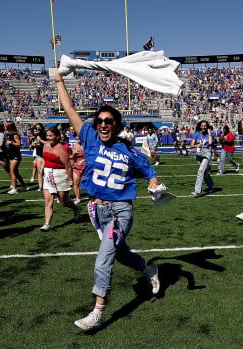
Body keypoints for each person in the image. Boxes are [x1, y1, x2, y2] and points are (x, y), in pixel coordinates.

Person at [55, 71, 161, 331]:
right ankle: (148, 269)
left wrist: (153, 182)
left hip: (120, 212)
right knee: (120, 253)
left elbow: (149, 170)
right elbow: (69, 109)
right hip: (96, 209)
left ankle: (98, 311)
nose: (103, 124)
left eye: (109, 121)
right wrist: (58, 80)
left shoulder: (128, 151)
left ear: (117, 126)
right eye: (100, 120)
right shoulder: (90, 138)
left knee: (104, 259)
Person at [40, 126, 80, 232]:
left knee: (63, 201)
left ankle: (76, 208)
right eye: (47, 135)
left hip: (61, 175)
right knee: (48, 201)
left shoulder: (61, 149)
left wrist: (70, 180)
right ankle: (47, 224)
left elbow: (67, 166)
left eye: (51, 136)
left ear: (57, 137)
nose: (48, 138)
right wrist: (43, 168)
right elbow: (45, 159)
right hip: (48, 174)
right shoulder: (45, 146)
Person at [190, 120, 214, 197]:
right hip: (199, 154)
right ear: (200, 126)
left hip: (207, 153)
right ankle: (210, 186)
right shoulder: (196, 134)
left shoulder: (209, 134)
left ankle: (197, 191)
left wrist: (209, 133)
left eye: (205, 126)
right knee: (205, 172)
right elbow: (191, 145)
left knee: (200, 171)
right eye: (202, 125)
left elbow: (210, 143)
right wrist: (197, 145)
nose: (203, 127)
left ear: (207, 126)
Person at [5, 121, 28, 194]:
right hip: (11, 155)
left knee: (12, 171)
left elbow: (19, 144)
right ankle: (24, 186)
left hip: (16, 155)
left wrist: (11, 142)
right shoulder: (8, 134)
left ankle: (14, 189)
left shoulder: (15, 135)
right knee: (16, 172)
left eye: (6, 126)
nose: (5, 127)